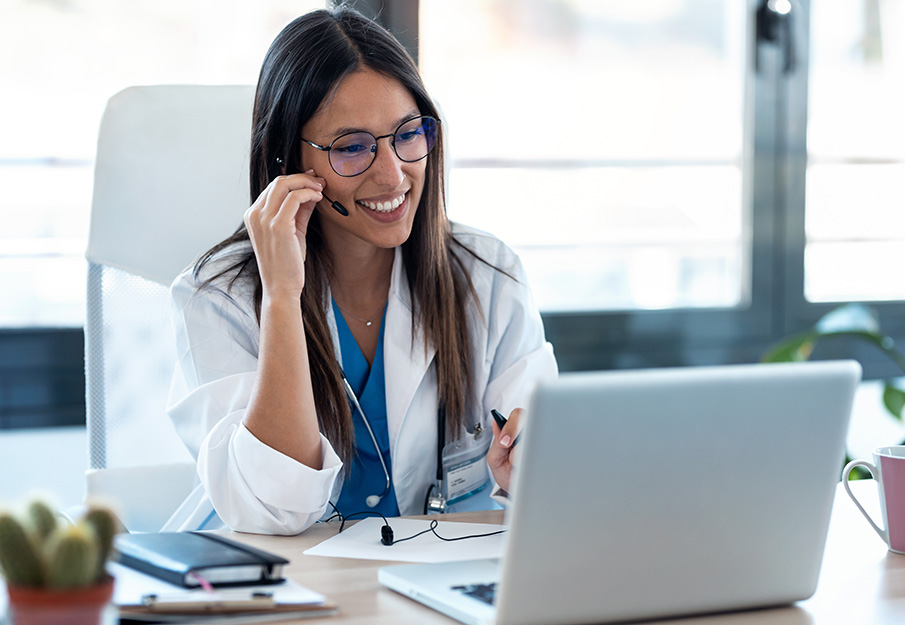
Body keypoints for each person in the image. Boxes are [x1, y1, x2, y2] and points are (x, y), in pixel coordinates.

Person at [164, 7, 557, 535]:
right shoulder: (217, 298)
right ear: (287, 161)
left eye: (408, 134)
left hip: (430, 582)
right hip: (279, 589)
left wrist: (531, 471)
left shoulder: (488, 276)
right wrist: (282, 294)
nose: (393, 174)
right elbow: (274, 510)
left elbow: (551, 474)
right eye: (352, 148)